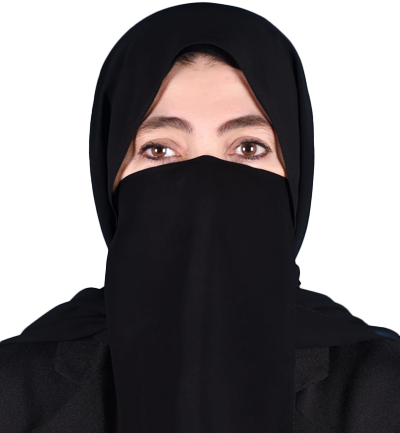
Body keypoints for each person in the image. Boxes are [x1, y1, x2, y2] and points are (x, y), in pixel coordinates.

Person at [0, 3, 399, 433]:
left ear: (296, 170)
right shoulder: (15, 388)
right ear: (109, 170)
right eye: (159, 149)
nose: (206, 182)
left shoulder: (382, 386)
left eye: (248, 147)